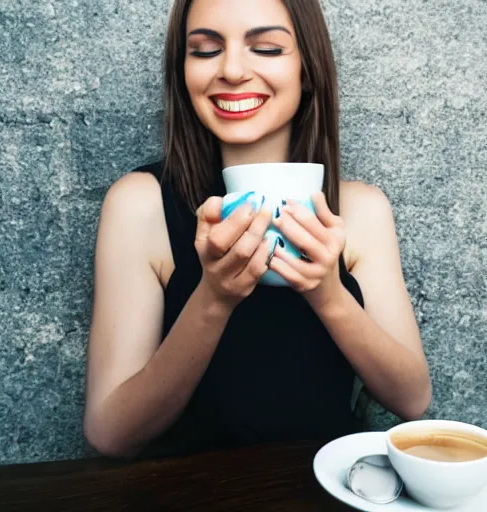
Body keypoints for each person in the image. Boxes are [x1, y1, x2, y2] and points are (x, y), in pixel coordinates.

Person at [83, 0, 432, 458]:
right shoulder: (139, 204)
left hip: (330, 488)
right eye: (205, 51)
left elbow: (412, 400)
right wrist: (213, 298)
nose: (231, 70)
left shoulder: (361, 209)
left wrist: (327, 293)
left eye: (266, 48)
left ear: (307, 69)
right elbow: (111, 434)